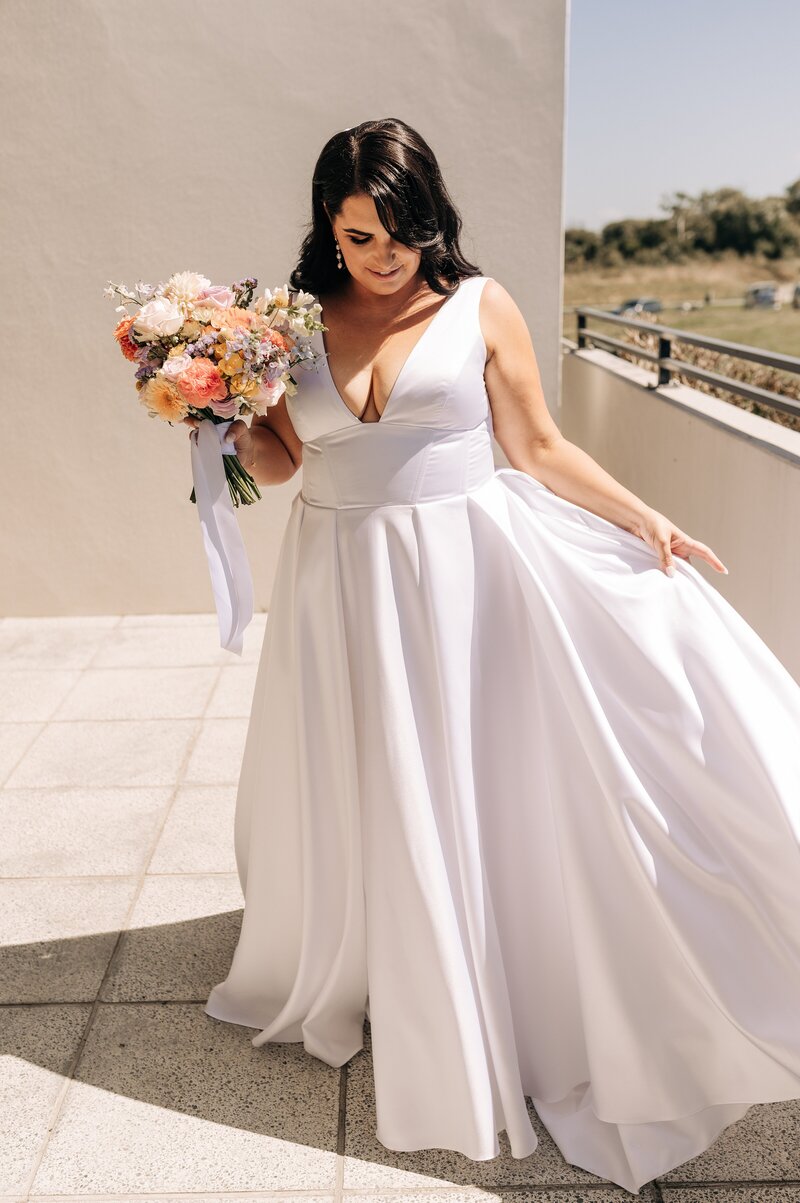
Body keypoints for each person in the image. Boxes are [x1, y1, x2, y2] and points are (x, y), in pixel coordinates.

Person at [189, 119, 800, 1196]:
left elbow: (536, 447)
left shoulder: (479, 305)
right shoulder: (287, 323)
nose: (388, 255)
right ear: (327, 228)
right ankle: (386, 964)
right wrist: (218, 418)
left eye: (407, 232)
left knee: (473, 787)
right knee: (369, 780)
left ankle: (493, 984)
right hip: (339, 580)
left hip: (463, 579)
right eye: (363, 234)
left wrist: (642, 518)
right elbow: (285, 461)